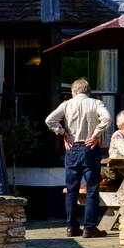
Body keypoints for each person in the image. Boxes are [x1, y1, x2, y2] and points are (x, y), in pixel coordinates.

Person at [45, 78, 111, 238]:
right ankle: (89, 228)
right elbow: (107, 118)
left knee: (72, 190)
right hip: (90, 148)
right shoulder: (96, 103)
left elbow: (49, 120)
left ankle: (71, 227)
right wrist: (96, 134)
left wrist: (62, 133)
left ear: (74, 92)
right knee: (92, 189)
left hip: (73, 148)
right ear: (88, 92)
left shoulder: (67, 104)